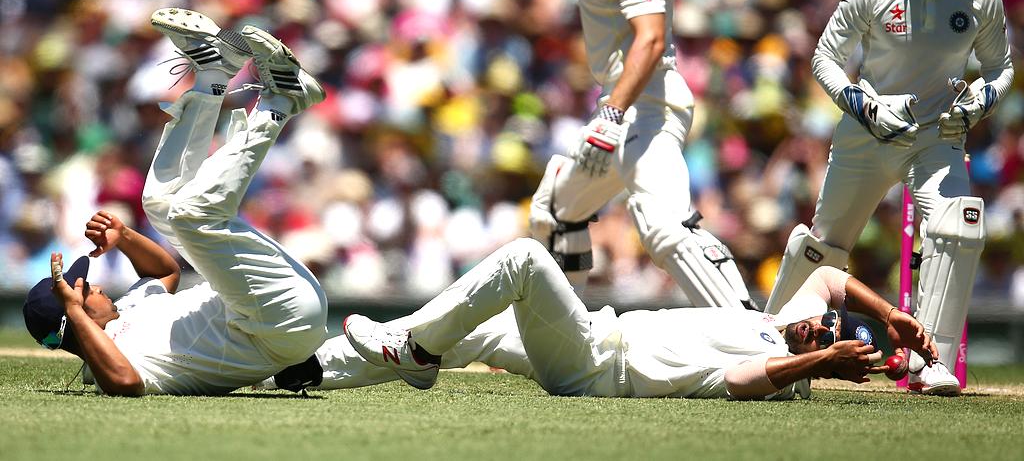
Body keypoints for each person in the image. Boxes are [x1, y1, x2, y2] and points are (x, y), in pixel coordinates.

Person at [764, 0, 1014, 396]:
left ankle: (932, 362)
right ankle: (769, 341)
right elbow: (824, 59)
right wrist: (861, 103)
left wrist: (978, 105)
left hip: (937, 134)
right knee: (824, 248)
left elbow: (1000, 69)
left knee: (958, 228)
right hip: (867, 130)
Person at [21, 7, 329, 395]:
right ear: (73, 318)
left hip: (264, 304)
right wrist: (72, 312)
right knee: (189, 216)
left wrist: (125, 236)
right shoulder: (112, 362)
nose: (97, 288)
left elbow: (166, 272)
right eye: (85, 292)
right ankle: (281, 103)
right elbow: (125, 384)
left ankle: (214, 77)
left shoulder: (128, 311)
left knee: (160, 204)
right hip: (278, 329)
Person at [270, 237, 937, 400]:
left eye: (828, 337)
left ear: (829, 360)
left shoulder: (787, 373)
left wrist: (824, 362)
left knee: (527, 259)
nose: (818, 325)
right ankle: (302, 372)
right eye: (826, 325)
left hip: (598, 362)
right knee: (457, 326)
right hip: (592, 335)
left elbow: (740, 382)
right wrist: (891, 314)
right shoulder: (780, 320)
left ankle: (414, 351)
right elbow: (826, 277)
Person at [526, 0, 754, 308]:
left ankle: (754, 333)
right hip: (624, 102)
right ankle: (565, 335)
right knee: (557, 209)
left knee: (664, 227)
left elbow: (649, 41)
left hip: (647, 104)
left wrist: (610, 114)